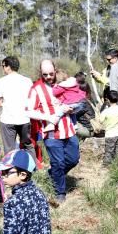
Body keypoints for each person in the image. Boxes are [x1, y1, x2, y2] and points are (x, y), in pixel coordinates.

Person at [27, 59, 79, 204]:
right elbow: (29, 111)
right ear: (40, 73)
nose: (49, 76)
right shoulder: (36, 89)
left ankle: (53, 174)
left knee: (73, 159)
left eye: (51, 73)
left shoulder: (64, 83)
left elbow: (77, 98)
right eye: (45, 74)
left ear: (55, 70)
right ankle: (60, 192)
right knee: (58, 163)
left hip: (68, 129)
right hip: (50, 133)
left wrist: (73, 108)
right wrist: (48, 116)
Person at [0, 56, 34, 152]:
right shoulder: (28, 81)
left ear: (8, 67)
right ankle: (31, 166)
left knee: (9, 149)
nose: (3, 68)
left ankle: (11, 167)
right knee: (28, 146)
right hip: (24, 118)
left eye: (3, 66)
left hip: (8, 119)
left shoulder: (1, 81)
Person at [100, 89, 118, 163]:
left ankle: (106, 165)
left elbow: (100, 120)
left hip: (110, 134)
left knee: (109, 152)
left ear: (107, 99)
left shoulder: (106, 111)